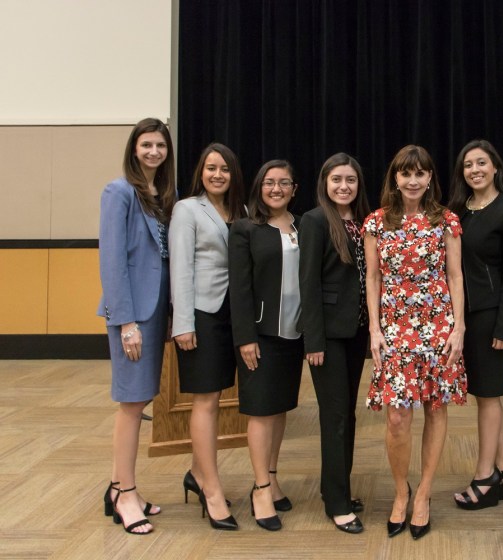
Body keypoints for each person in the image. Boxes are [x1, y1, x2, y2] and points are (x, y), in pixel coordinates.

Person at [364, 145, 467, 540]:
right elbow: (372, 278)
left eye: (420, 173)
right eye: (406, 173)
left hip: (438, 327)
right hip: (394, 330)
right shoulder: (376, 222)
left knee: (435, 409)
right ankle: (400, 492)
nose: (413, 180)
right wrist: (375, 328)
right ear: (395, 177)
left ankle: (423, 493)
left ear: (429, 179)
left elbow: (455, 276)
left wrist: (458, 328)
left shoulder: (446, 220)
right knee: (397, 417)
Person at [97, 117, 176, 534]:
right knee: (131, 404)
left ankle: (118, 487)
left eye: (160, 146)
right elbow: (112, 262)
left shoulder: (161, 194)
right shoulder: (119, 192)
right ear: (134, 148)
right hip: (131, 316)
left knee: (140, 399)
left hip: (154, 313)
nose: (153, 152)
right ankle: (125, 495)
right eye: (146, 145)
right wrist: (125, 321)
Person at [169, 143, 247, 530]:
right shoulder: (187, 209)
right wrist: (182, 323)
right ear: (200, 171)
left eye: (225, 169)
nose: (218, 175)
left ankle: (197, 473)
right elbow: (181, 267)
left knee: (218, 398)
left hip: (234, 315)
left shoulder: (242, 210)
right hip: (201, 315)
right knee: (207, 400)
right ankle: (211, 489)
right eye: (211, 168)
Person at [447, 140, 503, 509]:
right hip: (466, 314)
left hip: (493, 315)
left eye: (481, 162)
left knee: (489, 396)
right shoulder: (459, 211)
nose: (474, 169)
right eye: (468, 164)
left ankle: (485, 477)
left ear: (495, 167)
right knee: (486, 393)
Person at [229, 160, 305, 531]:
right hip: (259, 334)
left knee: (279, 408)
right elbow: (240, 288)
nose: (276, 189)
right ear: (259, 187)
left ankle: (272, 478)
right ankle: (260, 488)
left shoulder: (303, 226)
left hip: (295, 333)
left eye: (284, 183)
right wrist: (244, 337)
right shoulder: (245, 229)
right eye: (269, 183)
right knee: (260, 410)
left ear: (294, 188)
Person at [298, 153, 371, 534]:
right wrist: (314, 339)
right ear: (325, 182)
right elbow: (307, 284)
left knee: (348, 415)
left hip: (356, 331)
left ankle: (338, 489)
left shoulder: (361, 222)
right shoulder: (313, 221)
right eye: (337, 179)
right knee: (335, 416)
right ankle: (338, 504)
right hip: (326, 336)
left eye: (351, 180)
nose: (344, 186)